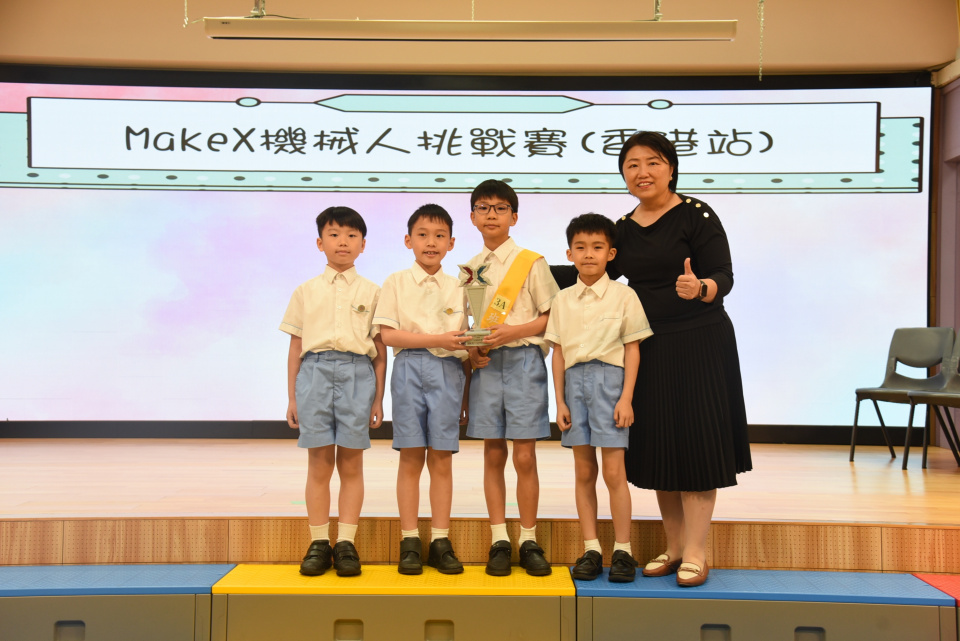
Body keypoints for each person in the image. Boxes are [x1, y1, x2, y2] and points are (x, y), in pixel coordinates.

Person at [552, 131, 752, 587]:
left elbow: (723, 274)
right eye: (632, 165)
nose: (642, 172)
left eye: (653, 162)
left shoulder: (696, 214)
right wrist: (528, 272)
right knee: (662, 445)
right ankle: (674, 546)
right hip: (647, 346)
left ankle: (697, 551)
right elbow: (593, 268)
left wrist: (701, 287)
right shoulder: (622, 228)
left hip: (700, 341)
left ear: (671, 168)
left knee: (696, 446)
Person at [545, 213, 652, 582]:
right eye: (580, 247)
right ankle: (591, 548)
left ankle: (623, 550)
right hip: (574, 385)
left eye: (597, 247)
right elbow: (558, 353)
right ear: (569, 254)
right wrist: (559, 401)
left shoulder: (624, 296)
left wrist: (626, 398)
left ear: (611, 253)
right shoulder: (562, 299)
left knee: (613, 471)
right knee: (584, 471)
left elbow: (633, 349)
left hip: (610, 383)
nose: (588, 254)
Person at [281, 206, 387, 577]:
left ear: (363, 244)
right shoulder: (305, 291)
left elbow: (379, 351)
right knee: (319, 463)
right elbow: (296, 347)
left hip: (358, 373)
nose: (343, 241)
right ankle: (318, 542)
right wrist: (292, 397)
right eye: (334, 234)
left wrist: (378, 398)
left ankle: (346, 543)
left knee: (352, 463)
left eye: (351, 235)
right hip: (314, 373)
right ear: (319, 242)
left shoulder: (373, 291)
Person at [464, 179, 560, 576]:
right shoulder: (469, 269)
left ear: (514, 217)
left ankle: (529, 539)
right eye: (483, 208)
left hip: (523, 362)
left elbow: (552, 316)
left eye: (500, 208)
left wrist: (513, 332)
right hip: (487, 366)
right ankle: (499, 539)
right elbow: (470, 323)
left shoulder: (531, 262)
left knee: (524, 455)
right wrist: (472, 350)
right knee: (492, 453)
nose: (492, 215)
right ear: (472, 217)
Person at [373, 204, 471, 575]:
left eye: (440, 236)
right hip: (409, 369)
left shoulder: (462, 285)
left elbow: (465, 341)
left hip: (449, 371)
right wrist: (437, 339)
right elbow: (387, 335)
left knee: (442, 458)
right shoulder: (395, 282)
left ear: (451, 243)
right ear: (408, 240)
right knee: (411, 457)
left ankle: (440, 541)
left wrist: (466, 393)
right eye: (423, 235)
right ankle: (410, 540)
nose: (431, 242)